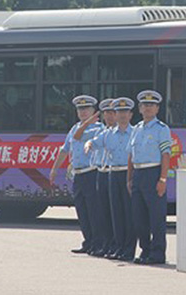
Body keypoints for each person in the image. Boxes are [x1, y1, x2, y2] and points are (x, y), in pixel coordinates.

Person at [50, 95, 103, 254]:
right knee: (82, 210)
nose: (83, 112)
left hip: (91, 173)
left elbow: (82, 138)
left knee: (94, 211)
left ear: (93, 111)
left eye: (86, 109)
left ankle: (97, 243)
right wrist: (54, 169)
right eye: (80, 109)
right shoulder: (74, 128)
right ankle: (87, 242)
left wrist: (87, 124)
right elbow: (65, 149)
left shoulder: (98, 128)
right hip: (78, 175)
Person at [87, 97, 137, 261]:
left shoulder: (136, 132)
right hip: (112, 174)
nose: (122, 115)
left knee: (129, 213)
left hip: (128, 173)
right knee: (116, 214)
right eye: (119, 112)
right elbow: (93, 143)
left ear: (130, 115)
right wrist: (88, 145)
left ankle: (129, 249)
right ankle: (119, 247)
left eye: (125, 112)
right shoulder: (108, 134)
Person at [127, 90, 171, 265]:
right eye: (145, 105)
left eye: (151, 105)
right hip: (138, 174)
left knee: (156, 217)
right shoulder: (136, 129)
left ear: (157, 108)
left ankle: (157, 253)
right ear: (139, 108)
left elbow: (166, 155)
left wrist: (163, 179)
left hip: (153, 173)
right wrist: (129, 179)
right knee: (139, 218)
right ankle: (145, 251)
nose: (148, 108)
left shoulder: (162, 129)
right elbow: (130, 156)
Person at [83, 98, 117, 257]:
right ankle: (107, 245)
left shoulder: (123, 132)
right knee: (102, 212)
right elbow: (91, 142)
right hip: (101, 173)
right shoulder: (103, 133)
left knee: (115, 213)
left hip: (114, 173)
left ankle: (118, 246)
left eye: (112, 112)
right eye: (106, 113)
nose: (109, 116)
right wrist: (88, 144)